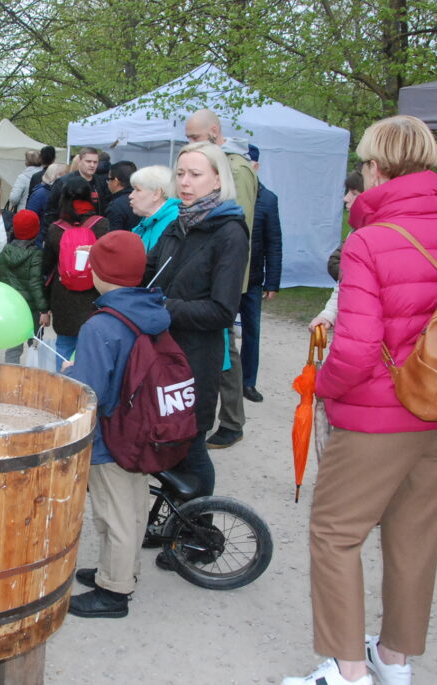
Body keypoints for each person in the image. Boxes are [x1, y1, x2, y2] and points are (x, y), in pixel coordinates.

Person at [281, 115, 437, 685]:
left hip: (380, 419)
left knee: (336, 534)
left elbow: (352, 350)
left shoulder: (369, 240)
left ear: (375, 168)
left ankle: (349, 671)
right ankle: (394, 662)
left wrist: (320, 389)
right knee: (416, 537)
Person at [143, 142, 249, 532]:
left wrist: (164, 306)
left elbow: (223, 310)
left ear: (218, 179)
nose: (185, 183)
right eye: (181, 174)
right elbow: (149, 270)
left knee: (191, 446)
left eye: (195, 174)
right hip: (163, 355)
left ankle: (198, 533)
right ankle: (177, 526)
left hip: (195, 360)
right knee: (169, 444)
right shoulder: (178, 222)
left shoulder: (229, 232)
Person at [64, 231, 168, 619]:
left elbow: (90, 392)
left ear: (98, 272)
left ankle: (115, 591)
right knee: (133, 507)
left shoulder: (101, 325)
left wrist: (72, 376)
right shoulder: (150, 309)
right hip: (142, 429)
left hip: (112, 436)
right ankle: (118, 569)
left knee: (114, 514)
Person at [185, 108, 257, 450]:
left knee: (223, 353)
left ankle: (231, 420)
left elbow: (232, 225)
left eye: (194, 138)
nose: (189, 145)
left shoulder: (234, 170)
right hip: (206, 278)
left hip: (221, 281)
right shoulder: (218, 165)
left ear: (214, 132)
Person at [42, 175, 110, 361]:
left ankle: (62, 386)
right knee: (91, 350)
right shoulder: (102, 225)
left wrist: (44, 306)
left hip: (63, 297)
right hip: (94, 297)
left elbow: (46, 268)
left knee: (63, 346)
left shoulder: (55, 229)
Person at [238, 144, 283, 403]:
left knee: (252, 331)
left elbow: (273, 242)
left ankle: (248, 382)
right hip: (228, 278)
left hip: (253, 279)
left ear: (255, 167)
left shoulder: (268, 199)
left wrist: (272, 281)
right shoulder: (227, 195)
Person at [309, 170, 363, 332]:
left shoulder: (375, 234)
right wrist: (328, 314)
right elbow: (345, 282)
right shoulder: (355, 231)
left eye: (353, 193)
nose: (345, 198)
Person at [0, 210, 49, 362]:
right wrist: (44, 309)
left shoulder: (5, 252)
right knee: (35, 345)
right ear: (36, 231)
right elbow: (35, 284)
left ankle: (11, 374)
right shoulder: (36, 255)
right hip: (31, 309)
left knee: (13, 345)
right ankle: (32, 374)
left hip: (13, 307)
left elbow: (1, 280)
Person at [44, 147, 107, 229]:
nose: (92, 165)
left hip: (93, 230)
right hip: (67, 231)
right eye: (88, 161)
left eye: (95, 162)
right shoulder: (64, 182)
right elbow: (51, 210)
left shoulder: (100, 182)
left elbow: (105, 207)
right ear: (80, 162)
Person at [128, 165, 180, 252]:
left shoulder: (175, 222)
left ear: (156, 194)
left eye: (137, 190)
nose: (131, 196)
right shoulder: (149, 220)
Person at [26, 162, 67, 230]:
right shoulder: (40, 194)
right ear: (57, 176)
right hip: (41, 236)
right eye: (65, 175)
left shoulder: (57, 192)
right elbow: (30, 219)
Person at [104, 160, 140, 232]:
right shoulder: (144, 199)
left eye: (108, 179)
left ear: (116, 181)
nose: (108, 183)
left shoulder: (115, 207)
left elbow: (113, 237)